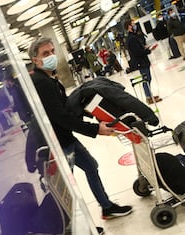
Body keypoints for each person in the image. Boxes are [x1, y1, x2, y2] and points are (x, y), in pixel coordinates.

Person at [28, 37, 133, 220]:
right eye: (46, 54)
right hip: (59, 144)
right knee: (67, 187)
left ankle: (106, 207)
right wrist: (94, 129)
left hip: (66, 138)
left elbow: (65, 107)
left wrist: (90, 113)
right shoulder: (41, 82)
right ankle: (74, 224)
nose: (51, 56)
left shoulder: (48, 78)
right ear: (35, 60)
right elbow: (60, 117)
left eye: (52, 51)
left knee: (91, 166)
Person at [124, 20, 163, 105]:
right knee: (146, 79)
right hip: (141, 62)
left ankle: (149, 95)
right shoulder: (132, 38)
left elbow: (138, 49)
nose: (135, 25)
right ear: (129, 26)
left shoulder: (133, 37)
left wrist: (144, 47)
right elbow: (137, 53)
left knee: (148, 78)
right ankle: (149, 98)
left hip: (142, 61)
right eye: (133, 24)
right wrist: (149, 50)